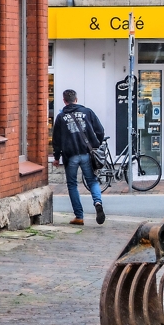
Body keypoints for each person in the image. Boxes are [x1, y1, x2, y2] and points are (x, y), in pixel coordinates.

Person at [51, 89, 105, 226]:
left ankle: (79, 217)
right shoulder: (87, 112)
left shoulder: (61, 117)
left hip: (70, 156)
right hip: (87, 153)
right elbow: (100, 130)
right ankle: (97, 202)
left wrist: (56, 157)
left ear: (64, 101)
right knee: (92, 181)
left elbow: (56, 139)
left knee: (72, 185)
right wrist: (96, 144)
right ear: (76, 99)